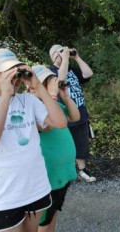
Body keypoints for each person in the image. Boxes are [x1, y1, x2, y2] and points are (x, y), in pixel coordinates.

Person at [0, 48, 67, 232]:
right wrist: (5, 97)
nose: (15, 78)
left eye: (17, 71)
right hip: (4, 195)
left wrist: (39, 87)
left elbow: (60, 122)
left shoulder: (28, 100)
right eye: (7, 72)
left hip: (35, 187)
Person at [29, 65, 80, 232]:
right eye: (48, 83)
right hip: (49, 177)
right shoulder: (32, 107)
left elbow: (75, 116)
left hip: (62, 175)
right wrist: (51, 95)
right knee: (43, 221)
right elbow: (48, 125)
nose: (53, 87)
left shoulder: (54, 105)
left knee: (53, 213)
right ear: (33, 88)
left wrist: (65, 97)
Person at [49, 44, 96, 182]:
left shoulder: (72, 70)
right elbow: (61, 79)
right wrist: (64, 60)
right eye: (60, 52)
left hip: (80, 112)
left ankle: (82, 170)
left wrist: (76, 57)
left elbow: (88, 74)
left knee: (81, 144)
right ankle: (66, 172)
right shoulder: (50, 72)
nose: (64, 54)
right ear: (53, 56)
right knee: (65, 145)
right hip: (64, 115)